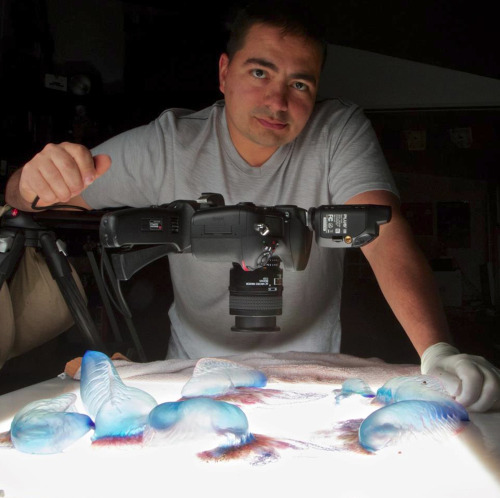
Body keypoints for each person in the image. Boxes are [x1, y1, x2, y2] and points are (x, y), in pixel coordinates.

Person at [5, 0, 499, 411]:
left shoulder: (337, 131)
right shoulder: (171, 143)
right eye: (259, 72)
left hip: (312, 380)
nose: (277, 101)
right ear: (224, 72)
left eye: (299, 84)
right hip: (192, 377)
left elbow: (381, 231)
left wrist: (437, 350)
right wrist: (28, 181)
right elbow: (29, 203)